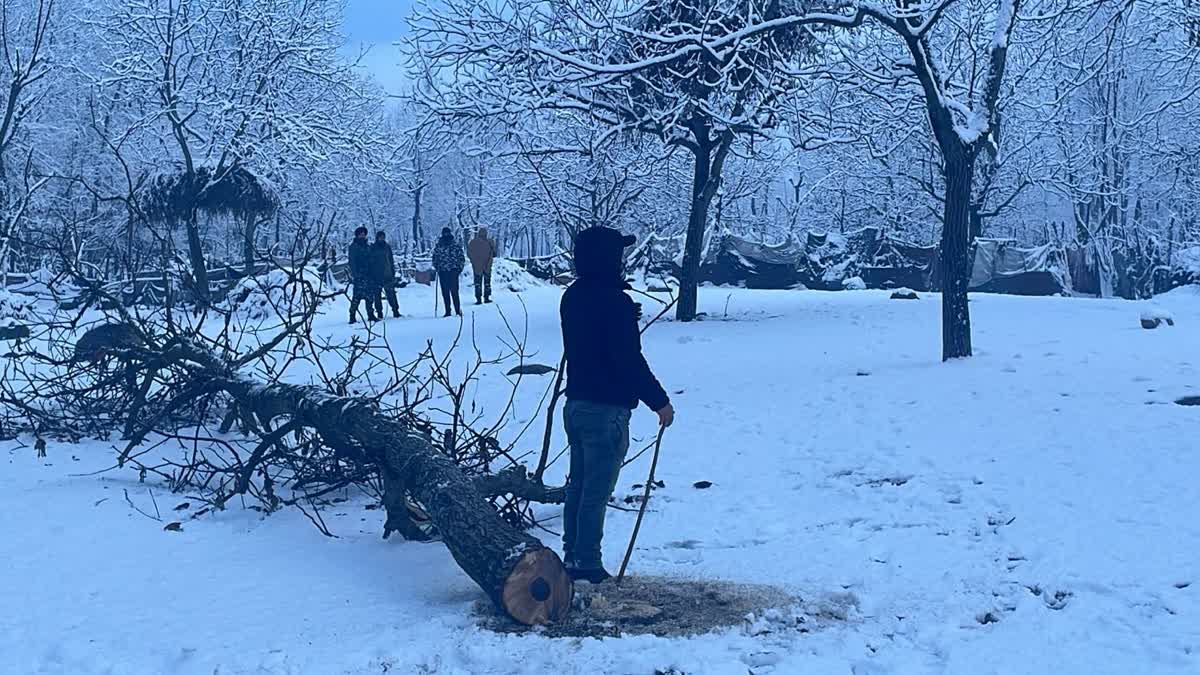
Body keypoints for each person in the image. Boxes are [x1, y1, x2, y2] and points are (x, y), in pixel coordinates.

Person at [559, 226, 675, 583]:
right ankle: (588, 566)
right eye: (617, 255)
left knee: (577, 487)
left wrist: (627, 316)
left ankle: (573, 557)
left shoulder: (573, 296)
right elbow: (627, 359)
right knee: (595, 491)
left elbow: (596, 336)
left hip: (576, 404)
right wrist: (659, 401)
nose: (623, 261)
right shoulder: (614, 302)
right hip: (605, 410)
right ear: (608, 259)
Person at [432, 226, 464, 317]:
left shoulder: (455, 245)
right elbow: (435, 258)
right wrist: (437, 267)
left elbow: (461, 258)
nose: (446, 235)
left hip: (453, 272)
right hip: (443, 272)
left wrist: (458, 269)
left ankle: (457, 310)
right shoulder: (439, 246)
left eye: (447, 233)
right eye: (445, 233)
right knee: (445, 293)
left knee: (454, 292)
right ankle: (447, 311)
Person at [347, 226, 376, 323]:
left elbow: (371, 259)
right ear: (357, 235)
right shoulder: (353, 247)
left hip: (369, 275)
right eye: (361, 234)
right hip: (359, 275)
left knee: (369, 296)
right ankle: (352, 315)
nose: (362, 236)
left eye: (364, 234)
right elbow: (352, 262)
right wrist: (355, 274)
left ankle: (371, 315)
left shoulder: (368, 246)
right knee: (356, 297)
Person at [370, 231, 401, 318]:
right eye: (380, 237)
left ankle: (395, 310)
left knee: (391, 294)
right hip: (377, 275)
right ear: (377, 238)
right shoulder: (373, 248)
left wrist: (392, 270)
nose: (382, 238)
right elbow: (371, 261)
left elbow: (391, 259)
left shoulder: (387, 247)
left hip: (388, 274)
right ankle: (379, 312)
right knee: (377, 295)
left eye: (383, 237)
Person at [467, 227, 497, 305]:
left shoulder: (473, 242)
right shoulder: (490, 242)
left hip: (477, 267)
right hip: (487, 266)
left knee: (477, 283)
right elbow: (494, 253)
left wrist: (473, 261)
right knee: (487, 282)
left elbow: (469, 253)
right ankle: (486, 298)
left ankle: (478, 299)